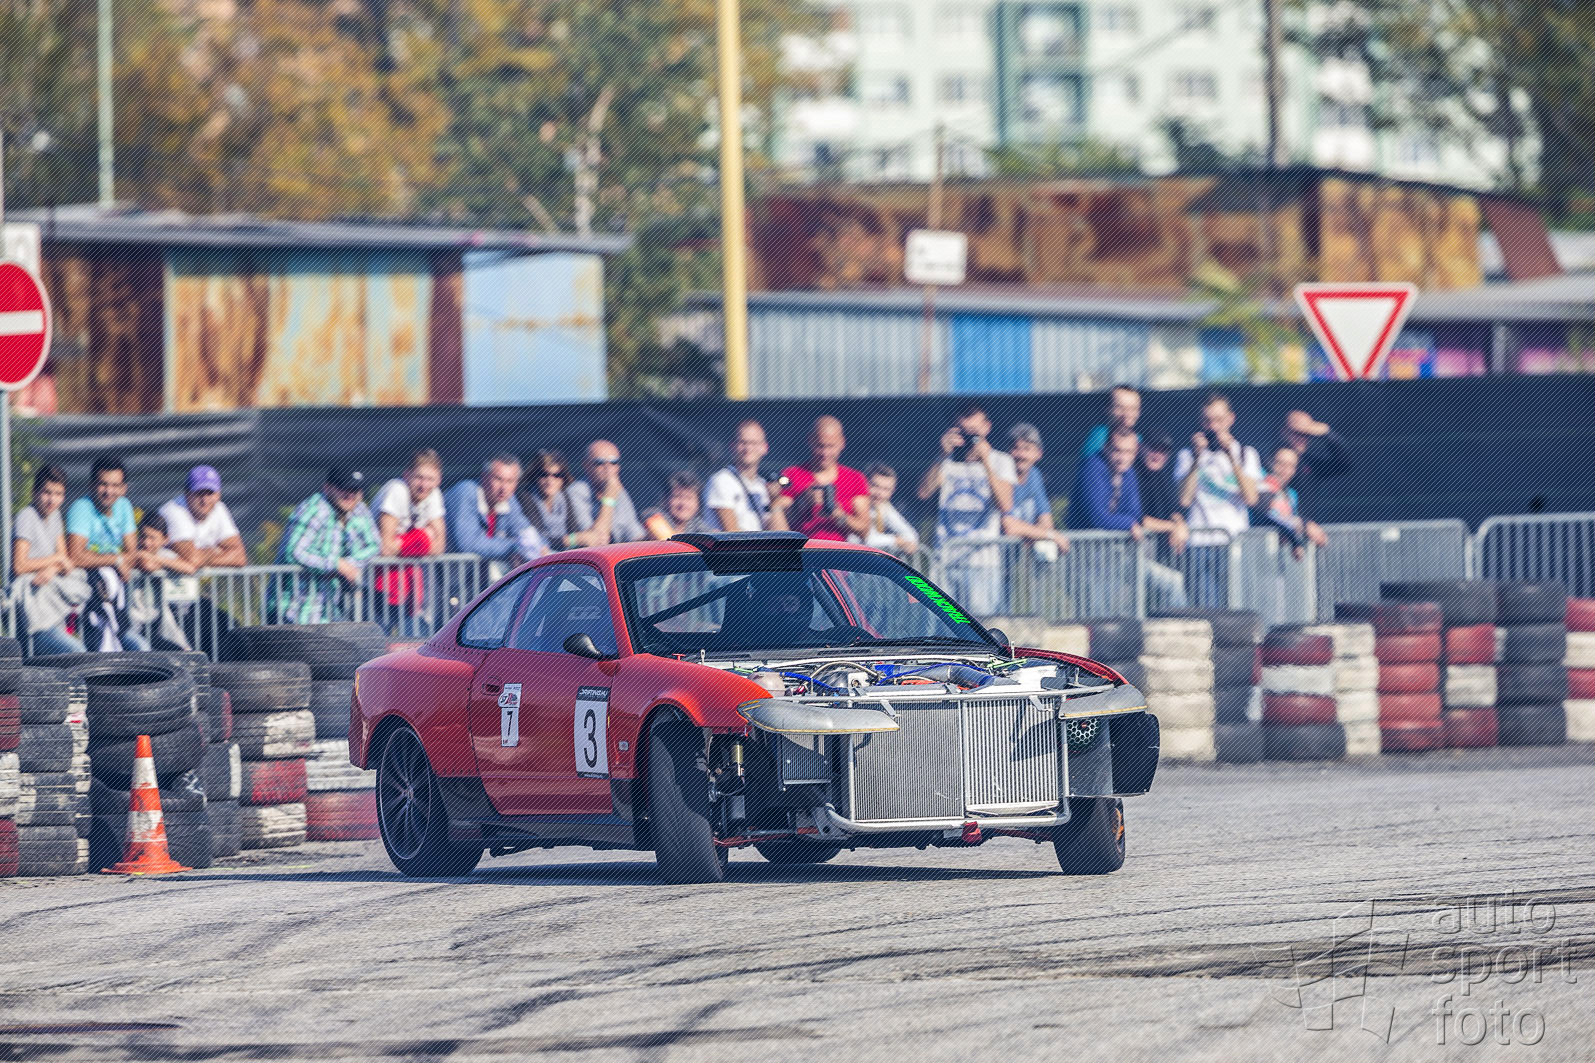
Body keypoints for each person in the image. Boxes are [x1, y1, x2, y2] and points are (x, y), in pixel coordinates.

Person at [1069, 428, 1189, 610]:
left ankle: (1182, 626)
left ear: (1135, 452)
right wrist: (1129, 524)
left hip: (1115, 555)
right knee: (1099, 613)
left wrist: (1176, 524)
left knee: (1173, 582)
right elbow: (1098, 518)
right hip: (1086, 557)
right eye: (1117, 451)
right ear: (1106, 448)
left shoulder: (1129, 472)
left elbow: (1134, 513)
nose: (1122, 457)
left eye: (1128, 452)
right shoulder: (1093, 468)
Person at [917, 406, 1015, 618]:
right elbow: (923, 492)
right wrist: (942, 454)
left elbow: (1006, 504)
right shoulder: (947, 461)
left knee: (982, 623)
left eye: (974, 433)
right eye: (964, 432)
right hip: (945, 558)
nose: (970, 439)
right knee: (942, 622)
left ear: (987, 428)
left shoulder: (1001, 461)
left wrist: (986, 462)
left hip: (982, 561)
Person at [1173, 393, 1262, 606]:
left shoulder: (1246, 453)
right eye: (1207, 421)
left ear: (1231, 419)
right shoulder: (1187, 455)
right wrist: (1197, 458)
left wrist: (1230, 456)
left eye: (1219, 420)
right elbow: (1184, 499)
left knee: (1233, 606)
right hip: (1199, 543)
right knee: (1204, 609)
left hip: (1232, 542)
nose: (1213, 427)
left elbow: (1251, 498)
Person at [273, 467, 382, 624]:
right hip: (294, 611)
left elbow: (374, 545)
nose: (350, 494)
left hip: (330, 611)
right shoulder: (313, 510)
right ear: (327, 488)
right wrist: (336, 564)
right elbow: (294, 552)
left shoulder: (359, 509)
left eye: (355, 490)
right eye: (344, 488)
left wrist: (349, 564)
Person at [65, 456, 148, 651]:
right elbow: (75, 556)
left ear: (123, 488)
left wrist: (114, 560)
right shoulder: (81, 508)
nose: (109, 491)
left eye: (115, 485)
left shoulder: (124, 506)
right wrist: (116, 560)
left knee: (141, 648)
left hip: (118, 607)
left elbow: (132, 553)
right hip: (88, 603)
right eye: (103, 484)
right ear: (92, 485)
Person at [9, 466, 88, 655]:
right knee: (77, 652)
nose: (52, 500)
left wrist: (52, 568)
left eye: (58, 494)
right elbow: (19, 565)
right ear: (34, 492)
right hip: (33, 617)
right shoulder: (27, 517)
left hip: (52, 609)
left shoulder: (56, 515)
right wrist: (56, 560)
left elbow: (65, 563)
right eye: (47, 492)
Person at [770, 416, 871, 542]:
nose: (825, 453)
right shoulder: (790, 475)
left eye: (831, 446)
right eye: (820, 446)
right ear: (810, 440)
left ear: (842, 443)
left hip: (839, 552)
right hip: (801, 551)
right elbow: (779, 523)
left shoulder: (855, 479)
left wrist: (838, 514)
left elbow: (864, 531)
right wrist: (803, 501)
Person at [445, 453, 539, 575]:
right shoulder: (465, 491)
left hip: (475, 578)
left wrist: (540, 547)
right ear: (484, 477)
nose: (504, 488)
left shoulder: (509, 499)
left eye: (510, 481)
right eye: (498, 479)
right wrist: (516, 548)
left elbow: (524, 530)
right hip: (443, 578)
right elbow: (468, 543)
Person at [127, 513, 199, 651]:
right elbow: (146, 565)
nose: (146, 543)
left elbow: (189, 568)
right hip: (134, 624)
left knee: (181, 649)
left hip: (156, 622)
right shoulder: (134, 552)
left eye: (152, 538)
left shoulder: (163, 555)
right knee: (143, 649)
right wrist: (152, 560)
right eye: (143, 536)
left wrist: (156, 559)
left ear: (165, 539)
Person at [1001, 423, 1070, 559]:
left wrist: (1035, 533)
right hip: (992, 557)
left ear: (1038, 454)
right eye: (1015, 448)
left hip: (1017, 558)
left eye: (1026, 449)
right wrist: (1051, 535)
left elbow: (1046, 520)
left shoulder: (1034, 475)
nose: (1020, 455)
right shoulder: (1000, 476)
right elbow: (1009, 527)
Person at [158, 465, 246, 569]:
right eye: (199, 493)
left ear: (218, 495)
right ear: (187, 494)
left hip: (192, 578)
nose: (205, 500)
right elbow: (193, 559)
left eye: (210, 493)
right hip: (160, 579)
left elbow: (240, 557)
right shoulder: (174, 511)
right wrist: (214, 551)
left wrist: (202, 557)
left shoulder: (219, 508)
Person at [566, 440, 647, 546]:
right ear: (586, 465)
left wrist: (651, 537)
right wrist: (609, 499)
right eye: (599, 463)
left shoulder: (618, 491)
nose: (608, 468)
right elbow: (596, 540)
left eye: (614, 462)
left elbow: (634, 535)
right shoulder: (575, 491)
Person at [1257, 446, 1330, 557]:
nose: (1285, 470)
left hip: (1277, 557)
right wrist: (1304, 526)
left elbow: (1289, 525)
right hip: (1253, 553)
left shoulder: (1291, 494)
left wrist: (1295, 540)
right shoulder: (1259, 482)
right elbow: (1266, 515)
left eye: (1291, 466)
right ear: (1270, 463)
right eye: (1281, 464)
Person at [374, 449, 446, 558]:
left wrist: (405, 543)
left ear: (439, 480)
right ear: (406, 475)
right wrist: (421, 539)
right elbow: (385, 548)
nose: (424, 485)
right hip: (374, 566)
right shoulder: (397, 490)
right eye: (419, 477)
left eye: (430, 479)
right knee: (427, 534)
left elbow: (440, 547)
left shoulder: (434, 493)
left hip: (406, 563)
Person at [704, 420, 772, 532]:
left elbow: (781, 537)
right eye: (743, 442)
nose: (748, 449)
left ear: (764, 447)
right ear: (732, 446)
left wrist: (776, 503)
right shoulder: (722, 480)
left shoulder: (763, 485)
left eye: (754, 443)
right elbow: (733, 535)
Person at [520, 450, 579, 552]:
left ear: (563, 478)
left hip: (566, 554)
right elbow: (536, 539)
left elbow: (574, 529)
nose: (550, 481)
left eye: (557, 475)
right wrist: (571, 540)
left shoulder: (565, 496)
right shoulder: (525, 496)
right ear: (535, 476)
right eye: (544, 474)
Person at [856, 463, 918, 557]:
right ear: (864, 483)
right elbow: (868, 540)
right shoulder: (855, 503)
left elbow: (912, 536)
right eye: (875, 486)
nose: (880, 493)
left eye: (886, 489)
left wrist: (902, 544)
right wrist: (897, 541)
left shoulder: (884, 506)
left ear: (892, 491)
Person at [1281, 409, 1351, 486]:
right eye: (1297, 433)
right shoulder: (1271, 455)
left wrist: (1327, 433)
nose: (1302, 438)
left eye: (1307, 434)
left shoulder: (1307, 462)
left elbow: (1344, 465)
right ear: (1284, 431)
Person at [1080, 384, 1142, 458]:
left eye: (1133, 408)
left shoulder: (1139, 438)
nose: (1127, 414)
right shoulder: (1100, 435)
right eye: (1120, 408)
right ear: (1107, 409)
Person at [644, 473, 710, 540]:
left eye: (689, 498)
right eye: (677, 496)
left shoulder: (697, 524)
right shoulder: (654, 517)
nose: (683, 504)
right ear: (665, 499)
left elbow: (712, 536)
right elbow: (668, 542)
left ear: (698, 502)